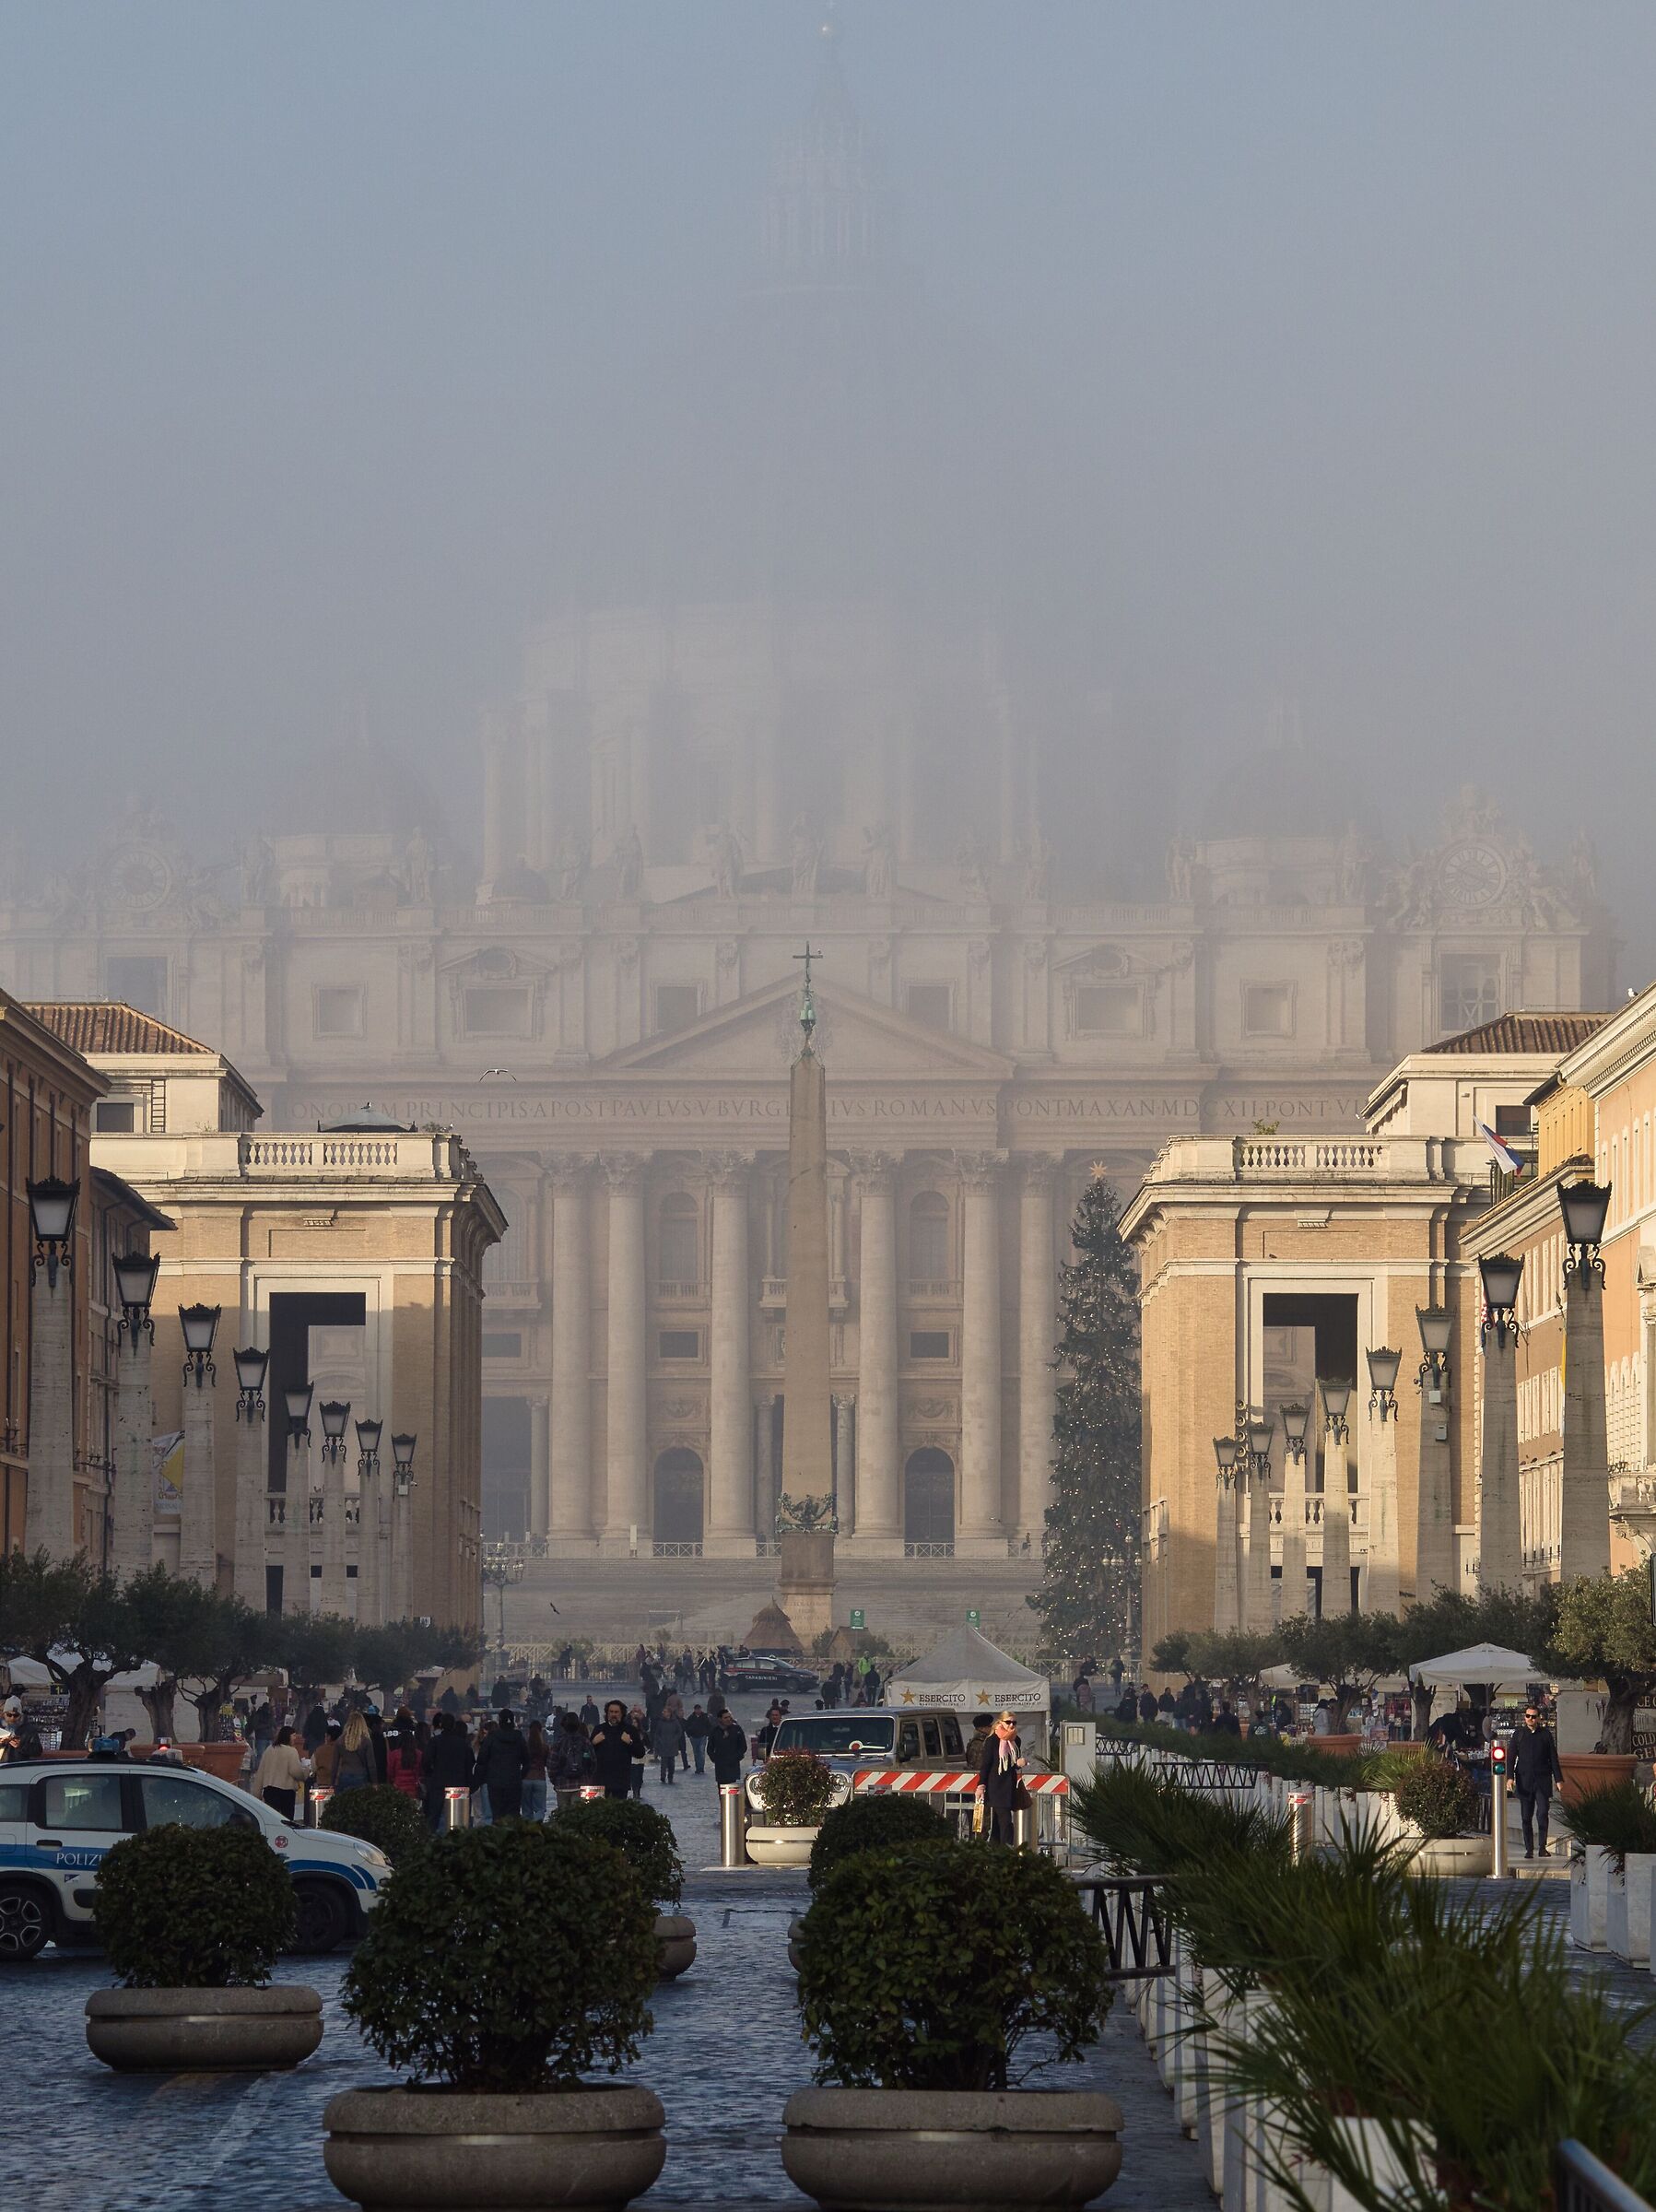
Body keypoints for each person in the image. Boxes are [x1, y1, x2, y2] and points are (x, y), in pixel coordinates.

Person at [1509, 1701, 1565, 1860]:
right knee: (1526, 1817)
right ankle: (1529, 1849)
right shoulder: (1518, 1734)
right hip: (1524, 1780)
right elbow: (1511, 1757)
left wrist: (1558, 1779)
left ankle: (1542, 1847)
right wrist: (1509, 1777)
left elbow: (1553, 1758)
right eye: (1528, 1716)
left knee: (1542, 1813)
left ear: (1539, 1718)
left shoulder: (1545, 1735)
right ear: (1524, 1717)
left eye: (1533, 1717)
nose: (1530, 1719)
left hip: (1542, 1780)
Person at [974, 1711, 1026, 1846]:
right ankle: (1007, 1849)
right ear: (1000, 1723)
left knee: (998, 1823)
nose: (1011, 1725)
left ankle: (996, 1850)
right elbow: (986, 1764)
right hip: (996, 1786)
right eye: (1008, 1722)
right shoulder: (992, 1740)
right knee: (1006, 1821)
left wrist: (1018, 1764)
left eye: (1014, 1722)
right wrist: (981, 1785)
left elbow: (1012, 1764)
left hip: (1010, 1786)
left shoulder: (1016, 1740)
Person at [422, 1711, 475, 1830]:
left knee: (433, 1818)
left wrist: (430, 1774)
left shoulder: (435, 1741)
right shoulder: (463, 1744)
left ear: (441, 1725)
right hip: (458, 1785)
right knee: (457, 1821)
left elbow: (426, 1761)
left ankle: (431, 1843)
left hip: (438, 1783)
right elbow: (470, 1764)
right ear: (454, 1725)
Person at [474, 1709, 528, 1822]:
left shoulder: (492, 1738)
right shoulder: (519, 1738)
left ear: (499, 1721)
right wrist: (519, 1776)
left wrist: (479, 1780)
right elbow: (527, 1761)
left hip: (495, 1783)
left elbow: (482, 1761)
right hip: (514, 1782)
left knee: (497, 1815)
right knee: (514, 1815)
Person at [252, 1726, 308, 1822]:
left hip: (269, 1790)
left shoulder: (270, 1749)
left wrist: (256, 1793)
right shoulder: (291, 1751)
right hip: (286, 1791)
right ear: (288, 1736)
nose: (295, 1738)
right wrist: (305, 1773)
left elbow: (261, 1772)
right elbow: (295, 1771)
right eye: (293, 1735)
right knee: (287, 1821)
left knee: (271, 1820)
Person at [590, 1701, 641, 1798]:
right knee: (594, 1811)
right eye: (611, 1712)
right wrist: (593, 1743)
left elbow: (640, 1753)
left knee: (619, 1811)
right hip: (599, 1780)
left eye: (616, 1712)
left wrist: (629, 1742)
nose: (613, 1714)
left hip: (620, 1781)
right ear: (607, 1713)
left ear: (622, 1714)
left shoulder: (630, 1730)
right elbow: (586, 1754)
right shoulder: (599, 1729)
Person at [548, 1712, 595, 1807]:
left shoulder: (559, 1742)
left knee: (563, 1817)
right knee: (579, 1816)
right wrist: (587, 1777)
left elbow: (551, 1764)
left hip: (562, 1786)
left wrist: (555, 1781)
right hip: (581, 1784)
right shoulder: (585, 1742)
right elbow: (593, 1762)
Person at [709, 1708, 748, 1790]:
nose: (728, 1719)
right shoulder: (715, 1731)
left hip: (733, 1765)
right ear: (720, 1719)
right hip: (721, 1767)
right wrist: (715, 1759)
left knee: (733, 1790)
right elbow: (710, 1748)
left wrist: (737, 1757)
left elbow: (743, 1746)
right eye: (725, 1718)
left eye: (729, 1717)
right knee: (722, 1791)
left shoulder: (737, 1729)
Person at [521, 1721, 551, 1820]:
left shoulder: (525, 1747)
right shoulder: (545, 1747)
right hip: (540, 1779)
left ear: (529, 1732)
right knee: (540, 1810)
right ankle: (536, 1829)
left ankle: (526, 1832)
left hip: (526, 1779)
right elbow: (548, 1763)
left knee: (526, 1811)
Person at [652, 1703, 686, 1786]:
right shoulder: (661, 1722)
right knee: (663, 1763)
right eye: (663, 1711)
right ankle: (663, 1776)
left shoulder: (675, 1722)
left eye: (665, 1711)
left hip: (672, 1745)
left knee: (671, 1763)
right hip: (663, 1745)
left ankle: (670, 1776)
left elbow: (679, 1731)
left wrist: (675, 1739)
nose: (663, 1713)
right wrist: (660, 1741)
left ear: (669, 1713)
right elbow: (657, 1733)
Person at [628, 1705, 651, 1798]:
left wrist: (645, 1748)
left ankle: (638, 1790)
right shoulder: (628, 1733)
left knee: (640, 1776)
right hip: (632, 1757)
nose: (634, 1724)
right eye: (633, 1722)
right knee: (633, 1775)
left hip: (641, 1757)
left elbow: (649, 1744)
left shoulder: (643, 1733)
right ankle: (635, 1791)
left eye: (635, 1722)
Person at [685, 1703, 711, 1775]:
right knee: (696, 1753)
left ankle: (701, 1768)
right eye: (697, 1709)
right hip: (694, 1737)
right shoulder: (691, 1718)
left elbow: (709, 1726)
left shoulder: (705, 1717)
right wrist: (689, 1735)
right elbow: (687, 1727)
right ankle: (698, 1768)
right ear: (695, 1710)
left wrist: (707, 1734)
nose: (698, 1710)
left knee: (701, 1752)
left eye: (699, 1709)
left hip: (702, 1736)